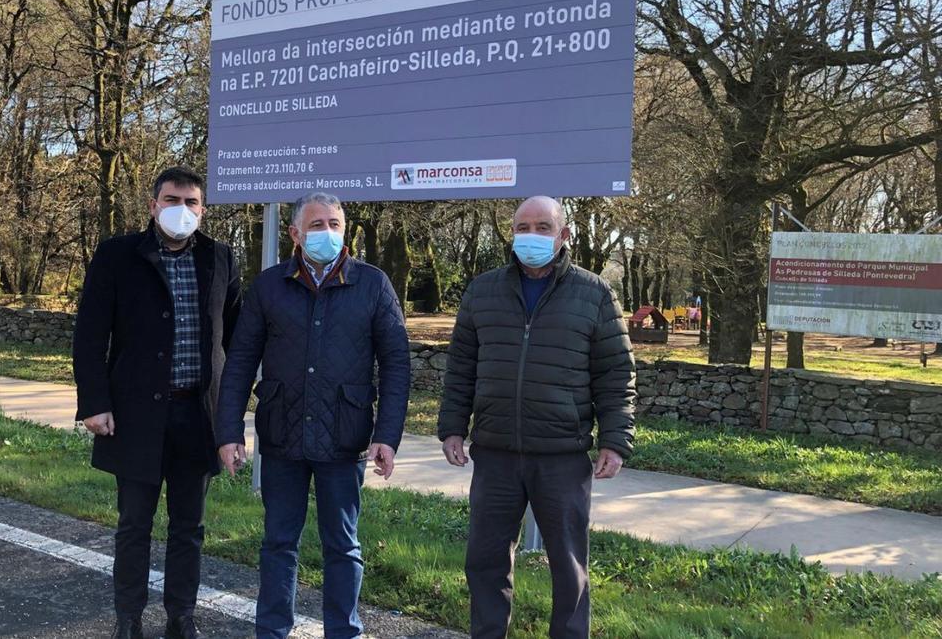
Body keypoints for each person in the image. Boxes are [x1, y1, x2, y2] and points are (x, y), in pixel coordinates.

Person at [437, 196, 636, 639]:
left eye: (542, 227)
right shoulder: (482, 290)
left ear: (564, 235)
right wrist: (452, 426)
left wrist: (615, 440)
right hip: (496, 452)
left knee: (569, 567)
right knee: (486, 561)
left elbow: (615, 373)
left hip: (562, 456)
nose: (531, 236)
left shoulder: (594, 294)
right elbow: (461, 366)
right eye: (522, 227)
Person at [215, 192, 410, 639]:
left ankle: (344, 631)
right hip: (282, 434)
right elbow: (241, 360)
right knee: (278, 544)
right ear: (295, 234)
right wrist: (229, 431)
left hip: (345, 436)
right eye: (317, 224)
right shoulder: (267, 286)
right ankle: (272, 631)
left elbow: (397, 362)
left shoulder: (373, 284)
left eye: (336, 224)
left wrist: (388, 436)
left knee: (343, 545)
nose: (328, 232)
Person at [72, 166, 241, 639]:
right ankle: (128, 618)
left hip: (196, 415)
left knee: (189, 527)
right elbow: (89, 335)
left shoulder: (221, 258)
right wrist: (94, 402)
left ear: (203, 209)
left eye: (191, 203)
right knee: (134, 525)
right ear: (152, 205)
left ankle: (180, 618)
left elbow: (237, 339)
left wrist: (231, 417)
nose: (181, 210)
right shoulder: (117, 256)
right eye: (172, 200)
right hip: (134, 415)